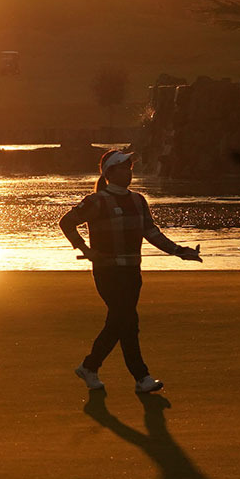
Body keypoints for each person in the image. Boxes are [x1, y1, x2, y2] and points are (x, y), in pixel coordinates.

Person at [59, 150, 201, 393]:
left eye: (130, 168)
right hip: (107, 273)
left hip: (132, 272)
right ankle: (140, 377)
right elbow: (66, 222)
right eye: (124, 168)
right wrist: (85, 249)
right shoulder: (96, 201)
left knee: (122, 321)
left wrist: (180, 251)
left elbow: (152, 233)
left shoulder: (138, 200)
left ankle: (90, 367)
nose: (129, 172)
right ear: (110, 173)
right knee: (126, 320)